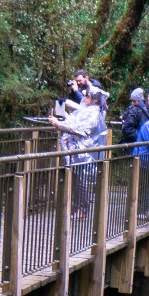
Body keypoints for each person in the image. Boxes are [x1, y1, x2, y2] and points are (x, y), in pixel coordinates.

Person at [48, 87, 106, 217]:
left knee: (81, 181)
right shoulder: (88, 110)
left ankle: (82, 210)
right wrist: (61, 109)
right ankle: (77, 208)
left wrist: (59, 125)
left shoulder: (95, 113)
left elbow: (81, 129)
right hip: (78, 151)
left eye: (87, 97)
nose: (84, 99)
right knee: (76, 180)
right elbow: (74, 121)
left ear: (94, 99)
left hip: (85, 152)